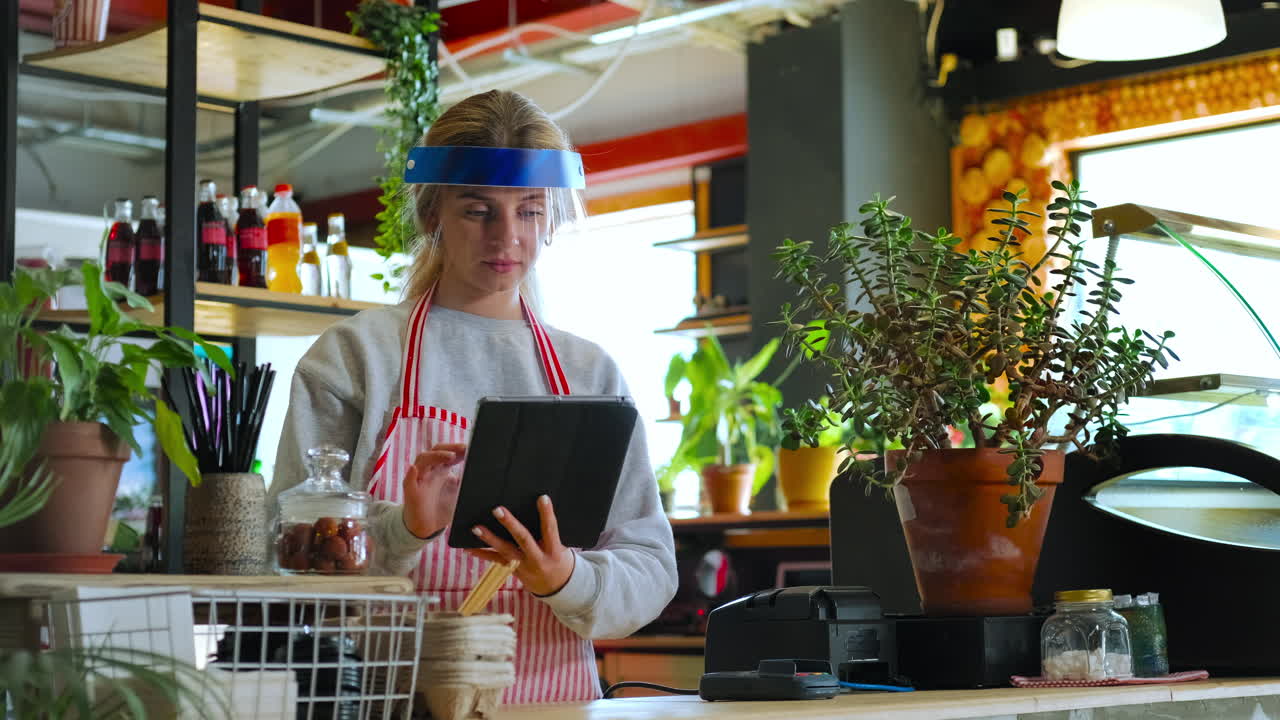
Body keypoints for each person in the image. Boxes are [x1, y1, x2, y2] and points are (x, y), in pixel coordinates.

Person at [268, 89, 678, 704]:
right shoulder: (357, 356)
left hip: (553, 708)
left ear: (552, 219)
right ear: (432, 212)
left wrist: (566, 576)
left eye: (530, 212)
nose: (506, 237)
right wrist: (405, 529)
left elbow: (650, 565)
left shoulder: (590, 374)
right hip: (390, 701)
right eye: (478, 210)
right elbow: (288, 551)